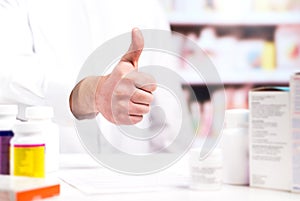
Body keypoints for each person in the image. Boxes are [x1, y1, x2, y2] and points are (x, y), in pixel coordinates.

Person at [0, 0, 182, 153]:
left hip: (135, 185)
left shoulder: (147, 7)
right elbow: (8, 77)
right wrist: (88, 94)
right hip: (48, 178)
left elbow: (168, 113)